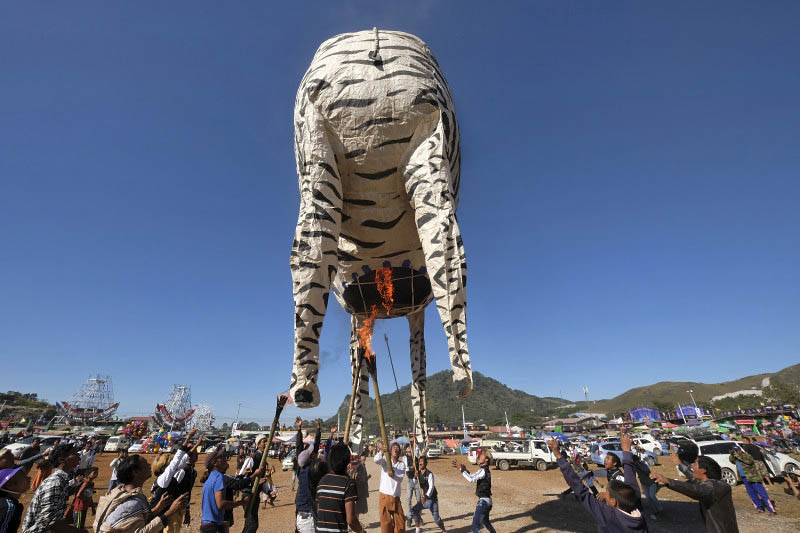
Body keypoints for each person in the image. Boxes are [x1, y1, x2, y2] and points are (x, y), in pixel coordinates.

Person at [549, 434, 647, 532]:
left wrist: (558, 455)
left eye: (608, 458)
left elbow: (580, 490)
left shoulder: (607, 515)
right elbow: (631, 483)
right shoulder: (637, 508)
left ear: (613, 501)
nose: (605, 460)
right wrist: (626, 450)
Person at [93, 454, 188, 533]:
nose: (149, 465)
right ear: (135, 472)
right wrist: (170, 512)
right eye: (145, 463)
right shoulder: (132, 503)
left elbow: (137, 520)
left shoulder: (119, 493)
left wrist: (157, 508)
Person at [651, 455, 739, 533]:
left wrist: (667, 481)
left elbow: (697, 490)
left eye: (695, 464)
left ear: (703, 470)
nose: (692, 465)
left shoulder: (717, 487)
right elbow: (693, 478)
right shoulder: (710, 483)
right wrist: (679, 464)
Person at [21, 443, 83, 533]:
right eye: (74, 454)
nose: (79, 455)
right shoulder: (55, 483)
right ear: (62, 460)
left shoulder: (62, 480)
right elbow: (49, 522)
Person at [150, 430, 202, 533]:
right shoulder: (163, 479)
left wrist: (196, 445)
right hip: (158, 515)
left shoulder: (167, 478)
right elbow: (177, 459)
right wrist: (188, 438)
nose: (173, 465)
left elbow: (183, 459)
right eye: (169, 463)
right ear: (164, 466)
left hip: (163, 514)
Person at [315, 443, 363, 533]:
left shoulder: (322, 481)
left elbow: (319, 510)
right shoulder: (348, 483)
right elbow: (351, 520)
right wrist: (361, 531)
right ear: (348, 461)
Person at [201, 448, 247, 533]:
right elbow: (220, 504)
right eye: (221, 457)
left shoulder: (211, 477)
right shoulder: (219, 477)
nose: (224, 458)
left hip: (206, 525)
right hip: (213, 526)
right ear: (215, 463)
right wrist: (241, 502)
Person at [453, 453, 496, 533]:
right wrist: (465, 470)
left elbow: (471, 479)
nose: (479, 456)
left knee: (475, 527)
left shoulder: (483, 470)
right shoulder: (484, 470)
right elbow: (473, 476)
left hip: (483, 502)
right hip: (488, 501)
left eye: (482, 455)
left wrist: (461, 470)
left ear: (486, 459)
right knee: (485, 522)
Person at [728, 445, 775, 514]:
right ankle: (759, 508)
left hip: (753, 477)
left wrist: (738, 455)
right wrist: (732, 454)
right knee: (752, 494)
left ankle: (771, 509)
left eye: (737, 450)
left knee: (762, 493)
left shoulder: (746, 455)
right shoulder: (736, 458)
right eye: (735, 451)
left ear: (740, 450)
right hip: (744, 478)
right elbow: (731, 460)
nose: (736, 452)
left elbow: (749, 461)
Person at [295, 418, 322, 533]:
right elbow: (300, 448)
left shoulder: (300, 469)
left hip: (302, 514)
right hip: (308, 516)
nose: (316, 454)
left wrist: (299, 428)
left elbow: (299, 448)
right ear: (311, 457)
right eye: (314, 453)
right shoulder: (312, 470)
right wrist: (318, 430)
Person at [375, 441, 407, 533]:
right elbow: (376, 460)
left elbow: (400, 479)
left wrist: (393, 475)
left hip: (396, 497)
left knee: (400, 524)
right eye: (394, 447)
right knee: (386, 524)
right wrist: (381, 451)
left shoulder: (402, 464)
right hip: (385, 496)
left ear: (400, 451)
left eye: (397, 447)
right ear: (390, 450)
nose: (396, 449)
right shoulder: (385, 459)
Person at [410, 456, 445, 533]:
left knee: (437, 519)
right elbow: (414, 483)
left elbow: (431, 487)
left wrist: (425, 496)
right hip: (424, 500)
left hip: (432, 499)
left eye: (422, 461)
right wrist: (415, 477)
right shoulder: (418, 473)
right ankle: (418, 529)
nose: (420, 463)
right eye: (420, 461)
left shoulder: (429, 474)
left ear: (426, 463)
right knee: (413, 510)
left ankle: (444, 531)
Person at [0, 467, 31, 533]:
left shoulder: (5, 502)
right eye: (24, 477)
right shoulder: (9, 507)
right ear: (10, 485)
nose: (29, 478)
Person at [403, 444, 421, 528]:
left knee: (419, 500)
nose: (409, 451)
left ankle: (418, 517)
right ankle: (409, 518)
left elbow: (417, 448)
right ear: (406, 450)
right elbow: (405, 469)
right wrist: (411, 468)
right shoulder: (405, 458)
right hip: (410, 479)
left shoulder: (416, 456)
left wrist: (415, 440)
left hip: (417, 480)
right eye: (408, 449)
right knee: (408, 499)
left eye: (410, 449)